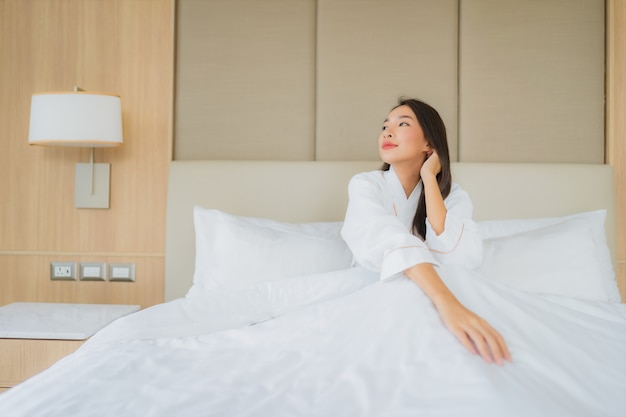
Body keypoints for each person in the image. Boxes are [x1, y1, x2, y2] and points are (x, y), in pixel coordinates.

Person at [341, 97, 511, 365]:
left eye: (402, 124)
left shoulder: (454, 196)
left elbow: (456, 257)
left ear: (429, 143)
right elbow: (388, 237)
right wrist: (446, 303)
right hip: (381, 297)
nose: (387, 131)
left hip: (439, 297)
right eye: (385, 126)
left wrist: (430, 178)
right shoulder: (365, 185)